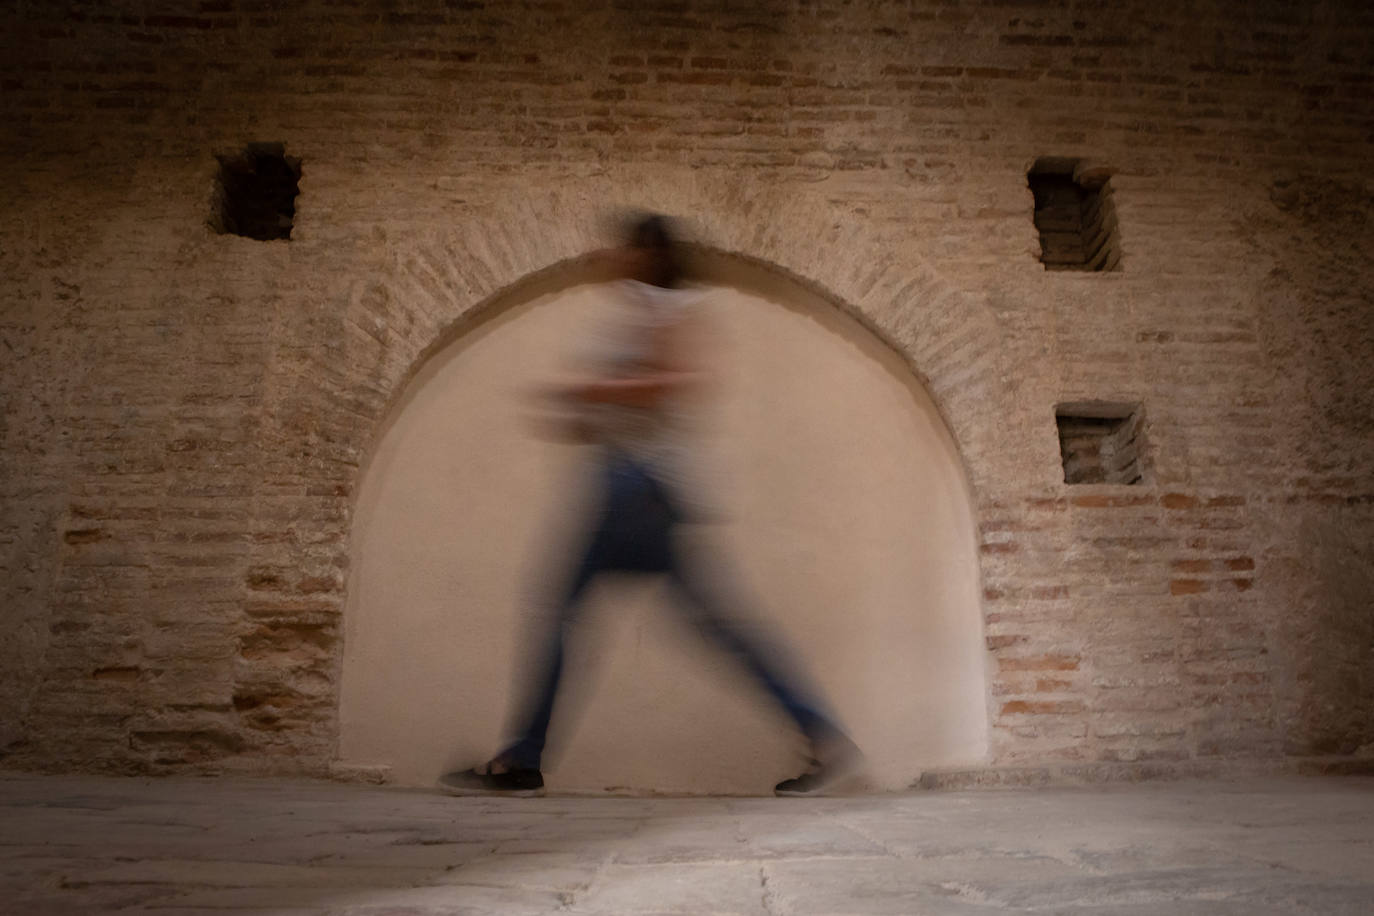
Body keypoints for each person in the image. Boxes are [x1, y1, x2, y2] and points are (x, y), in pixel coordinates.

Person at [441, 213, 859, 797]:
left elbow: (673, 380)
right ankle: (823, 735)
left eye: (623, 246)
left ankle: (522, 758)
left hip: (637, 485)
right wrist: (583, 413)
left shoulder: (664, 309)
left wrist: (583, 392)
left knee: (564, 612)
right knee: (714, 627)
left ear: (647, 254)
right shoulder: (645, 309)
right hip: (638, 484)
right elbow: (638, 398)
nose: (610, 255)